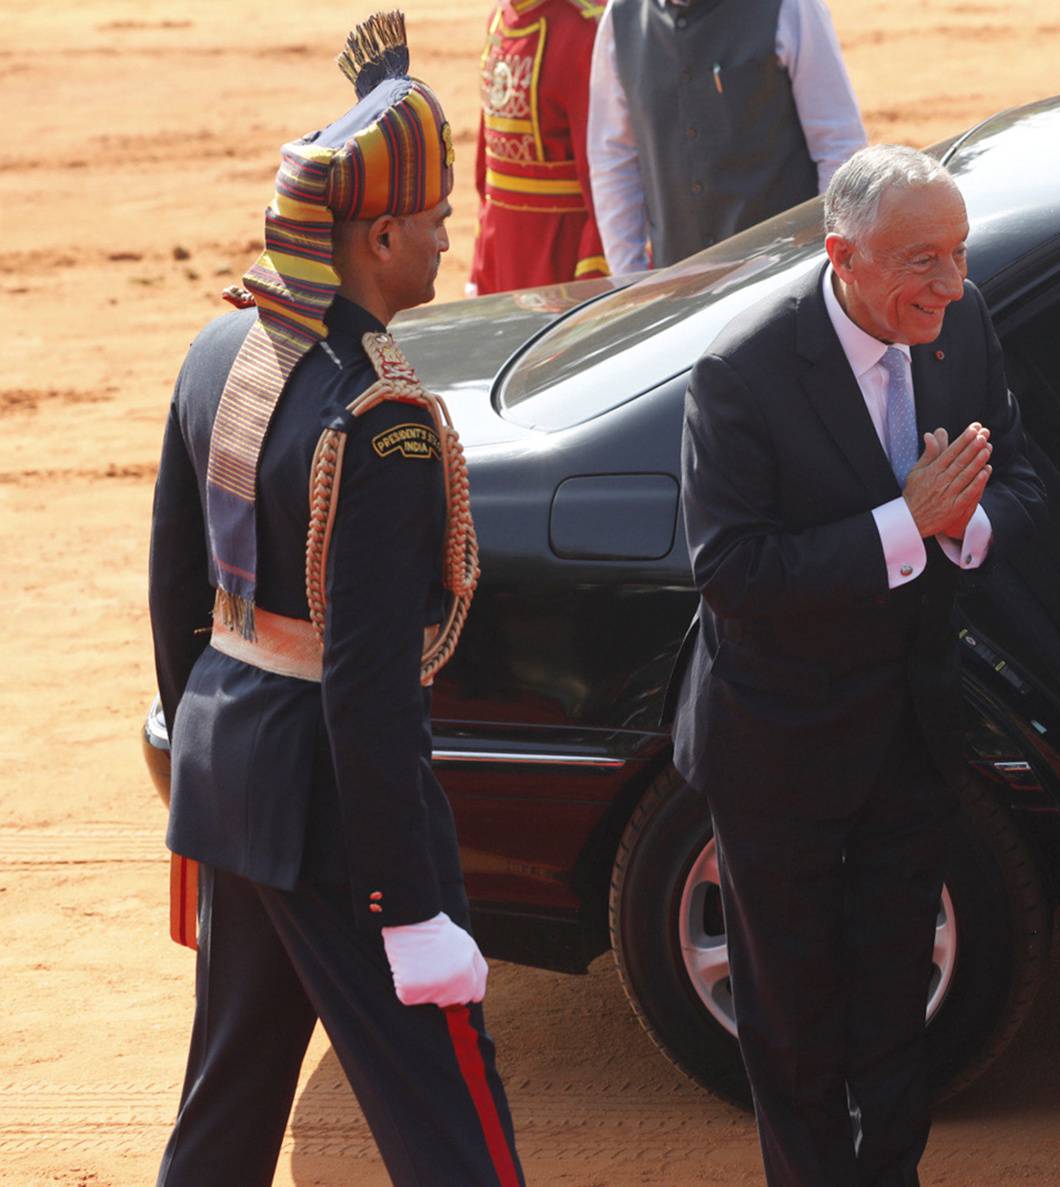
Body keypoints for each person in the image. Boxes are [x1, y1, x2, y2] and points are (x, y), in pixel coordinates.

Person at [147, 12, 522, 1185]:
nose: (449, 237)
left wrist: (202, 737)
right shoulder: (386, 424)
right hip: (335, 806)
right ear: (380, 235)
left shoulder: (223, 350)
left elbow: (175, 588)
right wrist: (408, 903)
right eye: (437, 221)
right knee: (452, 1122)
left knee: (227, 1105)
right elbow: (368, 688)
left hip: (234, 772)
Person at [676, 143, 1042, 1185]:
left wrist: (965, 526)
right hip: (776, 745)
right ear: (842, 254)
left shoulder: (960, 325)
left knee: (893, 1007)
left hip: (909, 731)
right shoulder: (741, 370)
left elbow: (1018, 477)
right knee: (791, 1021)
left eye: (959, 255)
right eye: (921, 261)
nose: (949, 285)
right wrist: (905, 523)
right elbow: (732, 572)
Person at [587, 0, 866, 275]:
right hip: (678, 285)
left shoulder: (792, 6)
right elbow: (613, 156)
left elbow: (839, 145)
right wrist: (628, 275)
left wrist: (819, 267)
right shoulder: (621, 16)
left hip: (781, 278)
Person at [469, 0, 610, 294]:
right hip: (503, 255)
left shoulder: (584, 29)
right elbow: (489, 171)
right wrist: (483, 265)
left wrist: (593, 276)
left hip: (561, 257)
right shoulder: (499, 18)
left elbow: (605, 174)